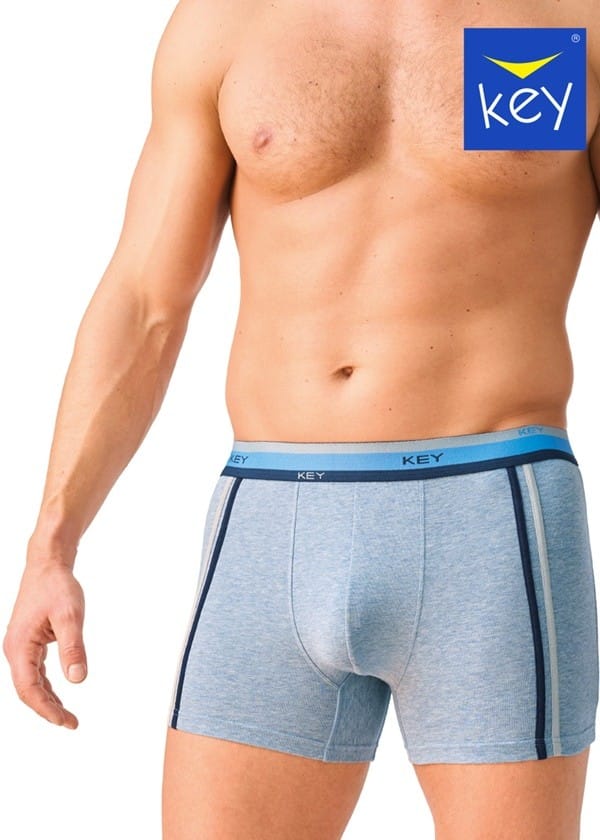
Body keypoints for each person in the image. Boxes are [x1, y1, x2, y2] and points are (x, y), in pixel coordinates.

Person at [3, 0, 600, 837]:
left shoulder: (567, 19)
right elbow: (144, 302)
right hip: (271, 524)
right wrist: (52, 544)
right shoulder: (227, 23)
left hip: (492, 522)